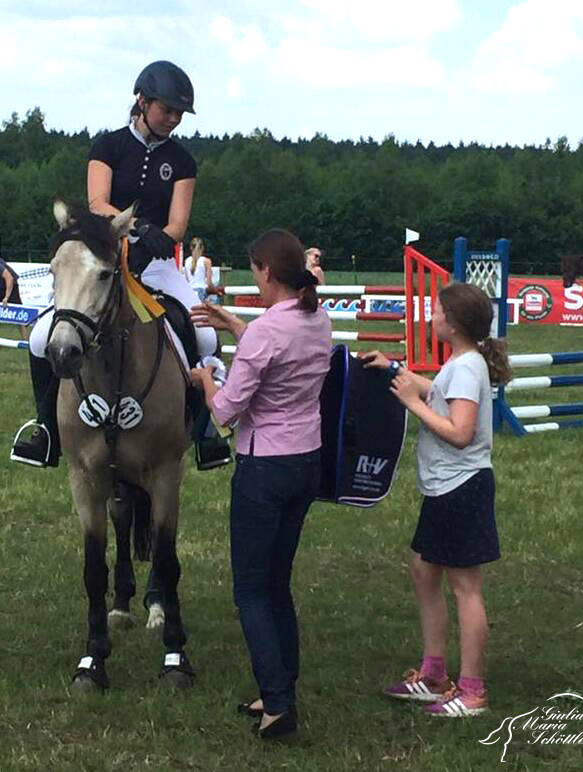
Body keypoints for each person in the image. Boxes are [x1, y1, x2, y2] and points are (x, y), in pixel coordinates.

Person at [12, 60, 226, 469]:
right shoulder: (107, 146)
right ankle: (46, 430)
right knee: (41, 338)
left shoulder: (182, 161)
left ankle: (204, 432)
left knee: (204, 336)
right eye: (167, 109)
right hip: (105, 256)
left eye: (179, 113)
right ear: (142, 101)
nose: (174, 119)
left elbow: (178, 224)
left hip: (156, 263)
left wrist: (159, 238)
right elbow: (98, 203)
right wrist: (138, 227)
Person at [190, 229, 332, 739]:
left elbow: (226, 412)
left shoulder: (266, 332)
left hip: (264, 467)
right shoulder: (318, 318)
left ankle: (277, 703)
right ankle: (280, 687)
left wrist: (206, 380)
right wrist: (234, 324)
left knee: (250, 590)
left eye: (254, 270)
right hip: (306, 459)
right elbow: (274, 345)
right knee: (277, 584)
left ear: (266, 271)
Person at [359, 282, 511, 718]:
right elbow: (443, 395)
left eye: (438, 311)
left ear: (454, 323)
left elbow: (461, 433)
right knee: (424, 571)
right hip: (445, 488)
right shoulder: (463, 363)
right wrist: (397, 371)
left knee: (466, 588)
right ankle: (433, 675)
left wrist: (412, 402)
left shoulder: (465, 367)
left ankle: (473, 691)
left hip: (461, 487)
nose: (432, 316)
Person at [183, 237, 213, 301]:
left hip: (189, 291)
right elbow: (209, 283)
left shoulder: (187, 260)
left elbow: (187, 279)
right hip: (201, 290)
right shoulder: (206, 261)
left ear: (191, 247)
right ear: (202, 248)